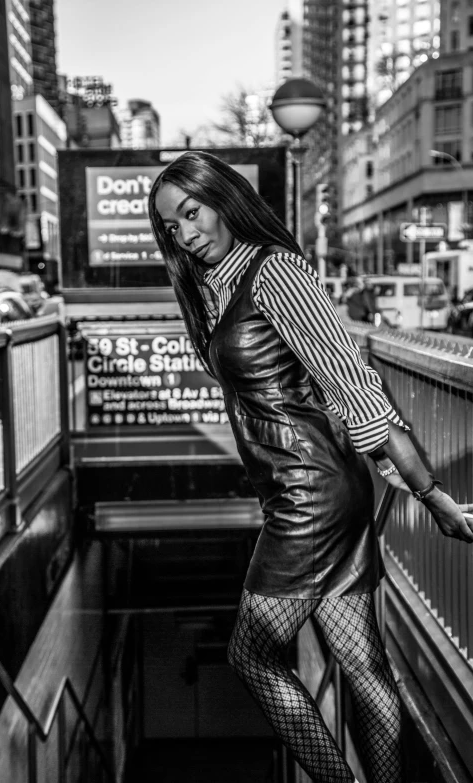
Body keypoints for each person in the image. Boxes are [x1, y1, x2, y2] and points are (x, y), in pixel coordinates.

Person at [148, 151, 473, 783]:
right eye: (170, 227)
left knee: (250, 654)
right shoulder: (221, 287)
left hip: (309, 496)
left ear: (226, 199)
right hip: (310, 490)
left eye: (192, 213)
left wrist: (430, 494)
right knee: (363, 664)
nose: (184, 235)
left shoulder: (275, 274)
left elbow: (355, 387)